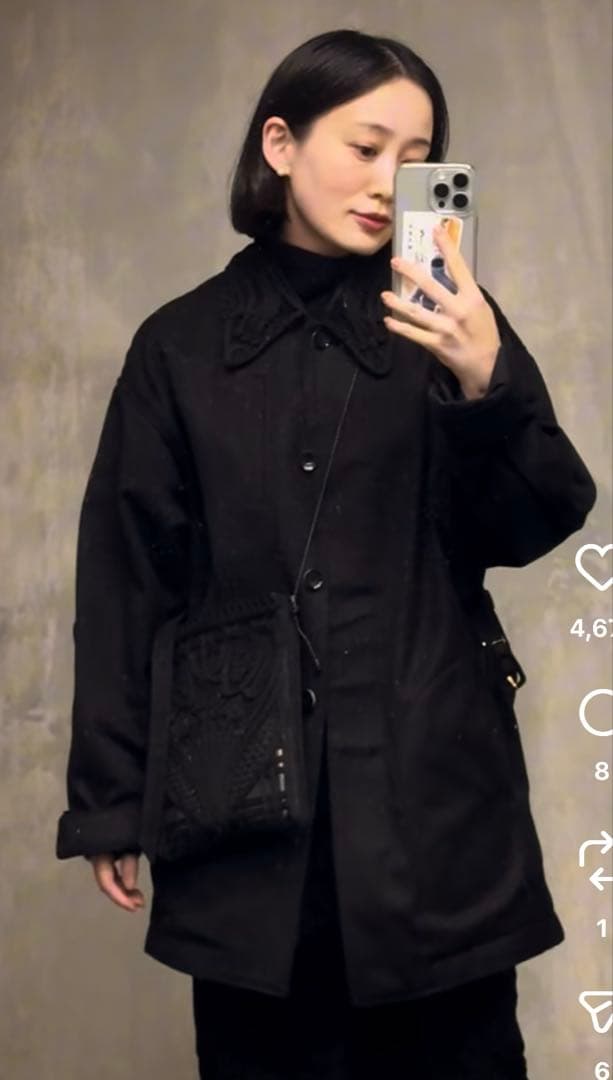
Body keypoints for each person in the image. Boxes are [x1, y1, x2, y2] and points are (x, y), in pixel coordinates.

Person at [55, 28, 597, 1079]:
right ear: (281, 144)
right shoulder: (179, 346)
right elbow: (126, 580)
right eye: (364, 146)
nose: (388, 180)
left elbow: (535, 521)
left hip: (434, 807)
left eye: (416, 157)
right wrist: (111, 800)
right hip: (247, 821)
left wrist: (484, 382)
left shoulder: (452, 322)